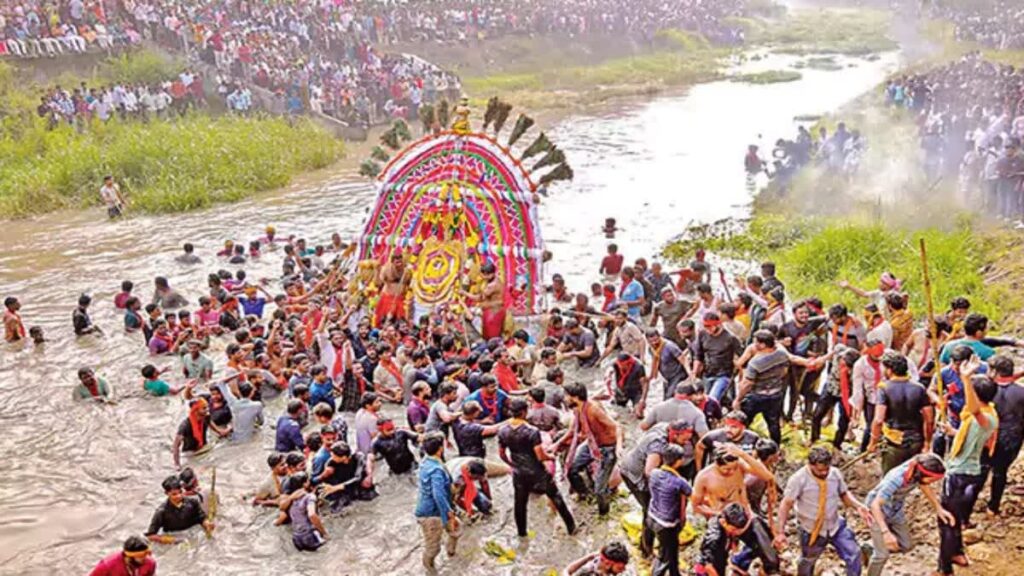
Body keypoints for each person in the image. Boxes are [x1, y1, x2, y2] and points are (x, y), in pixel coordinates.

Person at [937, 357, 998, 576]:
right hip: (968, 472)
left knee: (946, 520)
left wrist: (965, 378)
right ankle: (957, 552)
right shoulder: (987, 415)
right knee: (956, 517)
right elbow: (973, 429)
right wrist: (953, 433)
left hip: (960, 474)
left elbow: (973, 410)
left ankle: (944, 568)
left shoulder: (985, 417)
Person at [775, 447, 872, 576]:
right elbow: (786, 504)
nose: (824, 473)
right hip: (811, 529)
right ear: (810, 465)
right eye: (820, 470)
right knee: (808, 561)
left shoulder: (835, 474)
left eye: (827, 469)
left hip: (835, 525)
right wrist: (780, 532)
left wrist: (858, 506)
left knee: (853, 554)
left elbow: (844, 494)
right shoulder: (798, 479)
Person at [498, 398, 576, 538]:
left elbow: (502, 454)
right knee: (557, 498)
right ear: (524, 412)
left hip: (519, 473)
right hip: (537, 472)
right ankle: (571, 528)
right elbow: (540, 456)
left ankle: (522, 534)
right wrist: (551, 457)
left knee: (520, 504)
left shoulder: (503, 430)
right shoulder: (532, 431)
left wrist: (512, 464)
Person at [864, 453, 951, 576]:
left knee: (906, 545)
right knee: (881, 556)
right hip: (876, 511)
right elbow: (875, 505)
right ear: (921, 474)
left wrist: (938, 508)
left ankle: (870, 546)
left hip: (895, 509)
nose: (933, 482)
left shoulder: (917, 469)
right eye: (932, 480)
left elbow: (924, 485)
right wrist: (886, 533)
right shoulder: (896, 479)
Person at [620, 421, 698, 557]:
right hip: (635, 475)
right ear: (674, 434)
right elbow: (650, 473)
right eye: (684, 440)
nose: (686, 443)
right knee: (649, 510)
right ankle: (646, 550)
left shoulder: (664, 425)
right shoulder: (658, 446)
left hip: (637, 464)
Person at [869, 352, 934, 473]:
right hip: (916, 440)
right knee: (908, 476)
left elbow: (878, 420)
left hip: (894, 442)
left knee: (890, 478)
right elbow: (929, 419)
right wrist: (927, 443)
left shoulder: (884, 388)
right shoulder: (919, 388)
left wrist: (872, 442)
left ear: (889, 370)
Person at [562, 382, 621, 515]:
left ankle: (603, 514)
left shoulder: (593, 409)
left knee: (600, 489)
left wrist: (619, 446)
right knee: (572, 469)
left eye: (566, 396)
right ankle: (585, 495)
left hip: (608, 448)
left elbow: (617, 426)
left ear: (575, 397)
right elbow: (572, 431)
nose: (564, 399)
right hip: (592, 444)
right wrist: (556, 445)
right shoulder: (578, 409)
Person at [415, 433, 460, 576]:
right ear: (440, 449)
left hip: (436, 508)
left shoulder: (426, 461)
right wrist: (448, 513)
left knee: (457, 529)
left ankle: (451, 553)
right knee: (433, 548)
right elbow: (438, 495)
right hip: (431, 514)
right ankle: (430, 570)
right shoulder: (436, 470)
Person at [984, 355, 1024, 515]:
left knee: (980, 470)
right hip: (1012, 438)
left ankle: (967, 508)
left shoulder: (985, 390)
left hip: (987, 436)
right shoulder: (1021, 392)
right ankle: (993, 506)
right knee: (1000, 472)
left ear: (994, 372)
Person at [647, 444, 693, 576]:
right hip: (667, 524)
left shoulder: (654, 473)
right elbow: (693, 496)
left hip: (652, 517)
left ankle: (675, 573)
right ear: (679, 461)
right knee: (664, 556)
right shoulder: (679, 482)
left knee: (671, 550)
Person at [696, 503, 779, 576]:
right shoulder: (714, 538)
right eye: (734, 530)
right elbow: (708, 566)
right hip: (706, 568)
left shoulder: (728, 518)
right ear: (724, 523)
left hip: (721, 558)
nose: (737, 533)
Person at [145, 475, 213, 543]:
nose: (179, 496)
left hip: (194, 535)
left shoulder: (193, 503)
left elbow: (202, 517)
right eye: (174, 494)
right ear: (166, 493)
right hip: (175, 539)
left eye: (180, 492)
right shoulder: (161, 512)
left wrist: (207, 524)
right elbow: (150, 536)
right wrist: (172, 540)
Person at [694, 312, 743, 402]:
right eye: (706, 327)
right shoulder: (702, 334)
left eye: (710, 326)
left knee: (712, 399)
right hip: (707, 373)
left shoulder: (730, 338)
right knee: (703, 401)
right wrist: (694, 374)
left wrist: (740, 376)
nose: (708, 329)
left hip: (724, 374)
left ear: (718, 324)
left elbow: (742, 357)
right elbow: (698, 356)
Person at [318, 441, 377, 511]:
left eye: (334, 456)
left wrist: (336, 487)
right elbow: (328, 483)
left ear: (344, 457)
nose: (332, 458)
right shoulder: (331, 463)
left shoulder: (358, 457)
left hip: (360, 486)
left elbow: (358, 477)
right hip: (344, 489)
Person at [695, 410, 760, 468]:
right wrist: (699, 470)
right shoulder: (714, 436)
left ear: (743, 428)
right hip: (718, 474)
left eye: (733, 427)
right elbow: (700, 447)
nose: (728, 429)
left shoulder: (753, 438)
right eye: (726, 425)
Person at [281, 472, 328, 551]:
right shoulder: (309, 497)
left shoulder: (291, 498)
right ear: (304, 484)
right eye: (307, 481)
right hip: (310, 535)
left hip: (296, 538)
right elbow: (312, 515)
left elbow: (282, 508)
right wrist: (324, 533)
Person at [640, 383, 709, 435]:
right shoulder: (697, 413)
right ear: (692, 396)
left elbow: (644, 426)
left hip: (661, 444)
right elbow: (704, 435)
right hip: (684, 450)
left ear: (675, 392)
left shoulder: (659, 407)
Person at [646, 329, 689, 400]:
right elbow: (656, 363)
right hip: (666, 377)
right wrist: (651, 376)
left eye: (656, 340)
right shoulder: (651, 349)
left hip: (677, 374)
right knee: (666, 399)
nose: (654, 343)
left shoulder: (670, 346)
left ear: (659, 337)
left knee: (670, 396)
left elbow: (683, 359)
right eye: (651, 342)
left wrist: (690, 374)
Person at [88, 535, 156, 576]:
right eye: (141, 556)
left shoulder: (150, 563)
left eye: (148, 553)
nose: (146, 557)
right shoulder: (107, 566)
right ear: (129, 557)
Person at [376, 250, 411, 327]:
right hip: (387, 298)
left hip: (401, 298)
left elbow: (409, 284)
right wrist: (378, 270)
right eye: (396, 259)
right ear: (392, 261)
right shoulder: (386, 269)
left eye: (400, 259)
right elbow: (379, 282)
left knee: (400, 320)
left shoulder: (407, 271)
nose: (398, 261)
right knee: (386, 319)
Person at [606, 352, 648, 417]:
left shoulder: (639, 366)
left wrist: (643, 399)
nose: (621, 367)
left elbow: (645, 384)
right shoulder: (616, 363)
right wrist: (608, 376)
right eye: (619, 365)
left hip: (636, 392)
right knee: (617, 409)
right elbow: (609, 369)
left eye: (623, 365)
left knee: (639, 415)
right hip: (621, 390)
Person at [565, 541, 630, 575]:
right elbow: (567, 572)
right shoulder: (588, 571)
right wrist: (588, 557)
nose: (623, 570)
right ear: (608, 564)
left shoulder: (602, 563)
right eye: (620, 568)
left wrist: (589, 557)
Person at [478, 262, 507, 340]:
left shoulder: (493, 285)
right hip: (492, 311)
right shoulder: (495, 280)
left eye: (485, 275)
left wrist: (465, 293)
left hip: (493, 312)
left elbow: (480, 297)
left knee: (492, 337)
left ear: (491, 274)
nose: (484, 277)